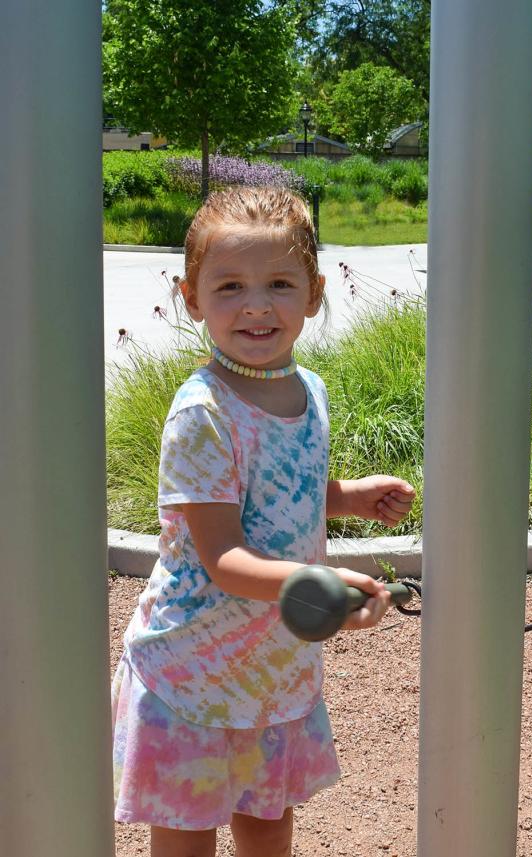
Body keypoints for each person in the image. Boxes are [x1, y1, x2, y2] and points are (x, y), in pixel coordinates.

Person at [111, 186, 415, 857]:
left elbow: (283, 492)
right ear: (192, 298)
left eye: (279, 282)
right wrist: (316, 579)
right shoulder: (204, 412)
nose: (255, 305)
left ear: (313, 291)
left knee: (268, 826)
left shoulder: (310, 391)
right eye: (229, 287)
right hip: (193, 670)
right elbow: (223, 555)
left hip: (273, 668)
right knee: (188, 835)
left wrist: (351, 496)